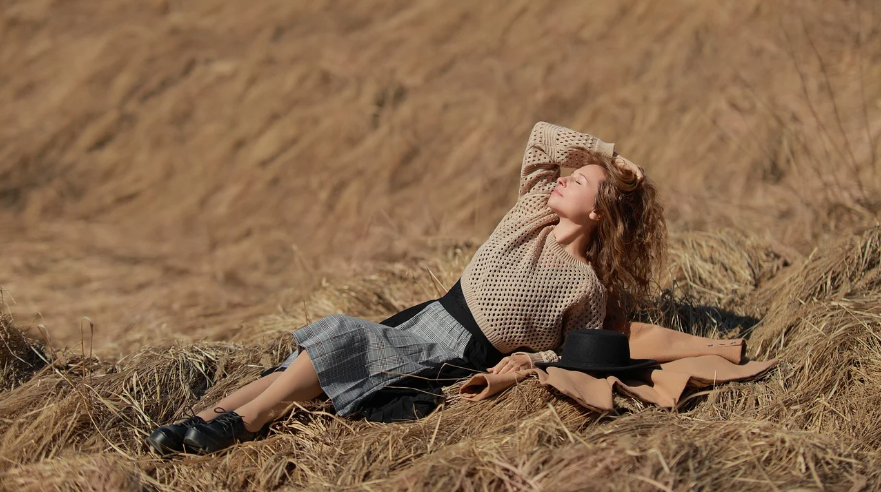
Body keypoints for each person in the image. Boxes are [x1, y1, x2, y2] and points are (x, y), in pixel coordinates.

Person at [146, 121, 667, 455]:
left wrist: (529, 361)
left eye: (581, 180)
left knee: (338, 338)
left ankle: (248, 421)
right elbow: (541, 137)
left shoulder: (585, 286)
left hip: (456, 355)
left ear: (599, 212)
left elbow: (572, 355)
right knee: (307, 362)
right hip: (428, 317)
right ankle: (201, 421)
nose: (565, 178)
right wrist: (607, 155)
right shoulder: (530, 213)